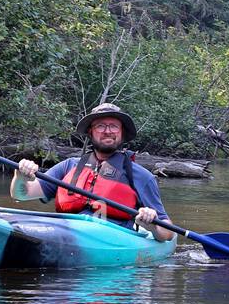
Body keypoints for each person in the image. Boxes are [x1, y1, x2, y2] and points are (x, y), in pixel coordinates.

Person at [10, 103, 175, 242]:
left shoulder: (141, 176)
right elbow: (21, 194)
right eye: (101, 126)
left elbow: (168, 232)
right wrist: (20, 177)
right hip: (64, 231)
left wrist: (152, 226)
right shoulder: (68, 166)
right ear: (91, 132)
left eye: (113, 126)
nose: (107, 131)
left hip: (112, 240)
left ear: (122, 133)